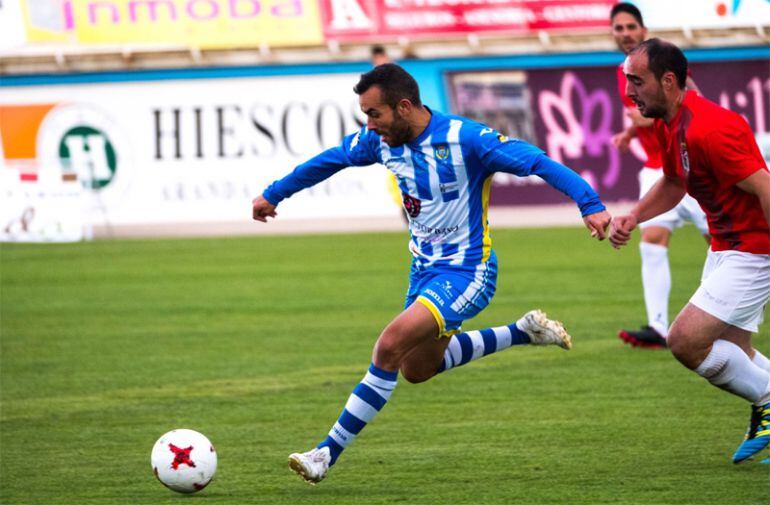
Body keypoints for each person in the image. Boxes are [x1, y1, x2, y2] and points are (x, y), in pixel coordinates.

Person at [253, 63, 612, 483]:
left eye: (375, 114)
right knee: (416, 369)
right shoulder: (380, 142)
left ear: (404, 107)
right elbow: (331, 160)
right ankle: (522, 332)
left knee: (388, 345)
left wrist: (588, 203)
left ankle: (325, 453)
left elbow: (535, 161)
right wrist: (275, 193)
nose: (370, 125)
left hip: (467, 271)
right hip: (423, 270)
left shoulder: (467, 139)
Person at [610, 38, 770, 464]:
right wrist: (634, 216)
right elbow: (675, 182)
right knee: (738, 352)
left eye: (636, 81)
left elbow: (764, 186)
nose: (628, 91)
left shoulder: (710, 127)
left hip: (755, 249)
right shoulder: (670, 121)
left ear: (668, 80)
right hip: (726, 247)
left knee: (683, 341)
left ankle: (769, 403)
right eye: (627, 80)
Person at [609, 3, 709, 349]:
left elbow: (692, 101)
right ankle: (658, 327)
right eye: (618, 28)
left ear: (642, 28)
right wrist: (629, 134)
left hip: (687, 165)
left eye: (629, 27)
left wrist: (645, 122)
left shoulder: (662, 61)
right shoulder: (624, 70)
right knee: (652, 240)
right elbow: (644, 114)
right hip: (658, 169)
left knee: (723, 241)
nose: (624, 34)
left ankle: (728, 312)